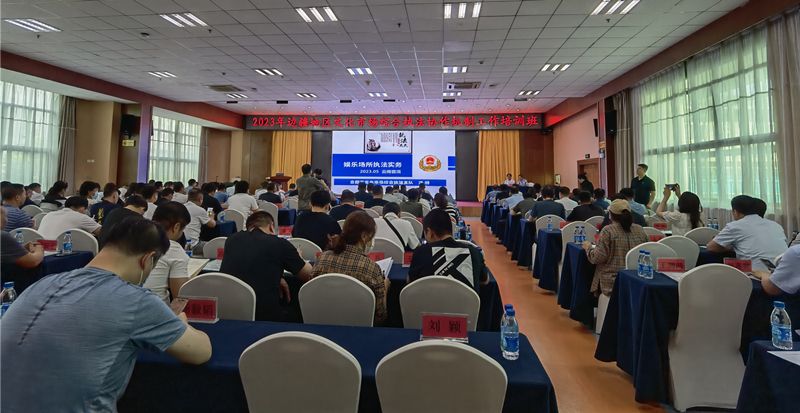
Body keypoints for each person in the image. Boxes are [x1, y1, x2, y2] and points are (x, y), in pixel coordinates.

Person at [1, 218, 212, 412]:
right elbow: (200, 352)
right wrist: (181, 322)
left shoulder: (40, 285)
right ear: (147, 259)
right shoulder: (134, 300)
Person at [220, 211, 313, 321]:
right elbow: (309, 275)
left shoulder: (231, 240)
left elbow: (250, 263)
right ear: (271, 227)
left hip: (228, 310)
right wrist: (300, 258)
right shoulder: (279, 244)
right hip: (263, 315)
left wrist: (279, 276)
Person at [312, 211, 389, 325]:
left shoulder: (322, 258)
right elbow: (380, 316)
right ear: (364, 236)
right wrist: (385, 288)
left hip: (321, 323)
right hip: (361, 329)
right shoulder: (371, 268)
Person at [409, 209, 488, 291]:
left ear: (429, 232)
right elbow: (485, 280)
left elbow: (410, 281)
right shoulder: (474, 252)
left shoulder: (421, 252)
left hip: (430, 299)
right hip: (467, 299)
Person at [583, 199, 648, 296]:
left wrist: (588, 248)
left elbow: (597, 258)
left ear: (610, 215)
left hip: (612, 282)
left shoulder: (608, 230)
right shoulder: (640, 229)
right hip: (636, 281)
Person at [707, 195, 788, 270]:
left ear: (735, 211)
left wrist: (731, 247)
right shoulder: (775, 225)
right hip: (784, 271)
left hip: (756, 274)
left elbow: (711, 247)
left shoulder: (735, 226)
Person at [143, 202, 191, 303]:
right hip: (156, 309)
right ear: (176, 227)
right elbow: (180, 298)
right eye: (182, 229)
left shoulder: (133, 239)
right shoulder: (174, 249)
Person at [1, 206, 44, 271]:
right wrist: (39, 249)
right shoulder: (3, 236)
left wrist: (21, 249)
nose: (7, 220)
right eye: (6, 216)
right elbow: (32, 261)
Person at [38, 196, 102, 239]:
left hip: (39, 250)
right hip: (63, 251)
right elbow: (102, 233)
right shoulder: (81, 217)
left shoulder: (49, 214)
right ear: (83, 208)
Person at [184, 189, 216, 253]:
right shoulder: (200, 210)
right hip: (193, 245)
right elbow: (212, 225)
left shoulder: (181, 207)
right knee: (218, 246)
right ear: (200, 199)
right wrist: (211, 217)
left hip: (181, 244)